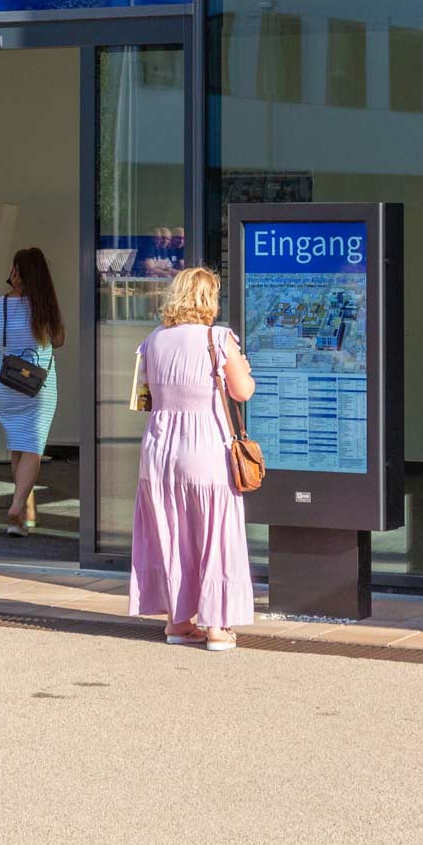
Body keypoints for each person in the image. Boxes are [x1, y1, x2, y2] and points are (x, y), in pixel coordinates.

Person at [128, 266, 256, 651]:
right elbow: (242, 391)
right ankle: (217, 627)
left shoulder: (153, 340)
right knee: (216, 535)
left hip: (159, 450)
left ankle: (178, 622)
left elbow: (147, 393)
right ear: (209, 300)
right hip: (205, 447)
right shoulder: (218, 339)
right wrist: (245, 368)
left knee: (172, 533)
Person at [0, 247, 63, 537]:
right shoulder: (46, 306)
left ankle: (21, 516)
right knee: (33, 448)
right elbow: (59, 340)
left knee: (17, 446)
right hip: (39, 387)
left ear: (16, 272)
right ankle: (18, 506)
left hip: (7, 385)